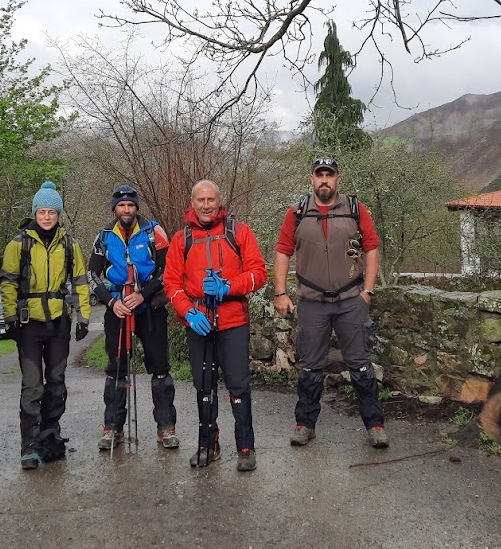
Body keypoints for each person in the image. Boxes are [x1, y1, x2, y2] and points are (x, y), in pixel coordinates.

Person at [274, 156, 388, 449]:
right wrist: (280, 292)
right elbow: (283, 251)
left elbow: (372, 247)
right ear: (311, 178)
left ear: (338, 178)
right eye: (319, 175)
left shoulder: (355, 209)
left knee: (361, 366)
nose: (324, 180)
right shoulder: (297, 213)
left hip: (351, 300)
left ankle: (375, 425)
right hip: (312, 303)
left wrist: (368, 291)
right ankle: (305, 425)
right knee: (310, 368)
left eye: (329, 175)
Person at [163, 180, 268, 471]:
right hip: (199, 323)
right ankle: (208, 446)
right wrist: (188, 312)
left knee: (238, 386)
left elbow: (259, 273)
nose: (206, 205)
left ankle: (245, 447)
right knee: (204, 386)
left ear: (219, 201)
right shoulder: (181, 239)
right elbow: (171, 283)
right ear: (192, 203)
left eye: (211, 199)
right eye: (201, 200)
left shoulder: (239, 232)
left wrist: (228, 286)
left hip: (233, 321)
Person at [0, 181, 91, 470]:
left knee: (56, 383)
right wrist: (10, 318)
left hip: (58, 324)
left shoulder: (70, 245)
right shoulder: (18, 244)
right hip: (29, 324)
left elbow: (80, 282)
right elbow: (8, 283)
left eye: (52, 212)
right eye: (43, 212)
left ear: (58, 214)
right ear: (35, 213)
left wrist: (83, 318)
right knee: (32, 386)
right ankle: (29, 444)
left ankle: (50, 435)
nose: (47, 217)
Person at [88, 185, 178, 451]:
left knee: (160, 367)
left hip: (150, 307)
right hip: (118, 308)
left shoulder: (154, 232)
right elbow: (92, 274)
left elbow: (167, 269)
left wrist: (143, 295)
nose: (126, 210)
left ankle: (166, 428)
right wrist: (111, 302)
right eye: (121, 205)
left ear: (137, 207)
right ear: (114, 209)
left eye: (130, 205)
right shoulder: (104, 236)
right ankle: (112, 429)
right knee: (116, 368)